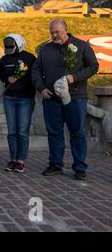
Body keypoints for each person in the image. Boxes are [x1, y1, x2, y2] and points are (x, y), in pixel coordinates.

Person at [32, 18, 98, 180]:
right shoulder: (45, 49)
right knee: (54, 132)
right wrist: (41, 88)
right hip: (51, 98)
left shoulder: (81, 46)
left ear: (66, 29)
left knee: (77, 132)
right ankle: (55, 164)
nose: (54, 35)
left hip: (75, 97)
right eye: (52, 32)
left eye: (57, 32)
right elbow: (35, 70)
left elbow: (93, 66)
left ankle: (80, 167)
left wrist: (74, 77)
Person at [0, 34, 36, 173]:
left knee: (22, 131)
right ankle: (13, 159)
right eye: (7, 47)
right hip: (9, 98)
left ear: (18, 45)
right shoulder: (4, 59)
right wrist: (8, 77)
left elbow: (35, 75)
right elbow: (1, 75)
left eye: (11, 47)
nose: (8, 49)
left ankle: (21, 160)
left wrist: (21, 80)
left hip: (25, 98)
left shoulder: (30, 58)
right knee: (12, 131)